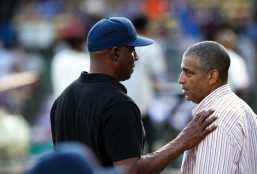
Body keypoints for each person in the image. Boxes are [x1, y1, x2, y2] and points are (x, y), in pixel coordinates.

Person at [50, 17, 218, 174]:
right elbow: (129, 170)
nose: (136, 57)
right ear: (115, 53)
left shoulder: (62, 99)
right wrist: (182, 142)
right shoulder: (118, 103)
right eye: (131, 51)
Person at [178, 41, 257, 174]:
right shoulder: (244, 109)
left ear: (212, 76)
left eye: (188, 73)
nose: (181, 79)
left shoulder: (213, 120)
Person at [121, 15, 167, 153]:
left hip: (122, 93)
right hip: (142, 96)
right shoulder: (151, 45)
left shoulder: (122, 44)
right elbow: (157, 72)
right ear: (146, 27)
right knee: (145, 129)